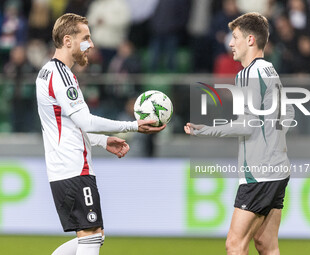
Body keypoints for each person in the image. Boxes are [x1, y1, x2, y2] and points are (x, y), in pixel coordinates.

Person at [36, 13, 165, 255]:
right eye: (85, 38)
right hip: (74, 168)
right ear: (67, 41)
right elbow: (85, 119)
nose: (91, 44)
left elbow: (72, 123)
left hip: (63, 169)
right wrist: (134, 126)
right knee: (92, 237)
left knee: (94, 235)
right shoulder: (61, 75)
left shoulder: (47, 72)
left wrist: (102, 140)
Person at [184, 12, 294, 254]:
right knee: (267, 244)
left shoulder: (247, 73)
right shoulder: (270, 71)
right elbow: (289, 116)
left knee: (234, 244)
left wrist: (207, 130)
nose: (230, 43)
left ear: (251, 40)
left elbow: (247, 125)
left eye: (235, 37)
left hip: (259, 173)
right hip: (278, 169)